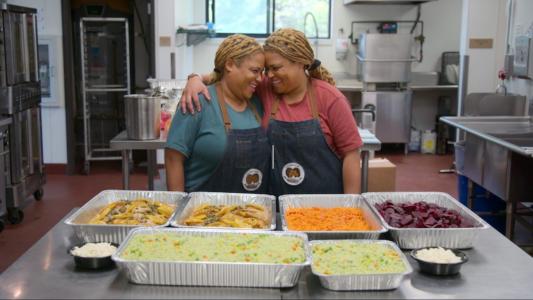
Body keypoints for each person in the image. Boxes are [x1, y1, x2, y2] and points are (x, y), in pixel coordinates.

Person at [181, 28, 362, 196]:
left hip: (325, 208)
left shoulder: (330, 98)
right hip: (277, 205)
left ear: (301, 62)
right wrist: (196, 78)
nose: (268, 75)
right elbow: (227, 77)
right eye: (267, 70)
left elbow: (351, 155)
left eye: (275, 68)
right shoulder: (267, 89)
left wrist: (349, 207)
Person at [165, 34, 269, 193]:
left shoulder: (257, 104)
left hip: (251, 212)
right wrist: (178, 207)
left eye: (262, 72)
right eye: (255, 71)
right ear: (230, 65)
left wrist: (196, 76)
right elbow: (173, 158)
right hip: (204, 213)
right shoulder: (198, 101)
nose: (260, 79)